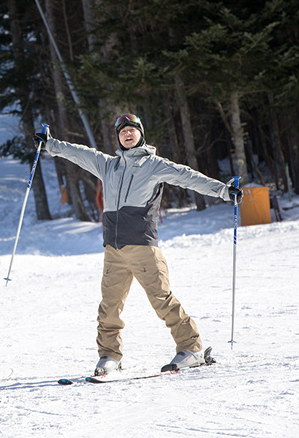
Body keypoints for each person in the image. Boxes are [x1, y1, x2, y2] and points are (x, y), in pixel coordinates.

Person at [35, 114, 244, 374]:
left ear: (140, 134)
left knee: (162, 300)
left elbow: (188, 177)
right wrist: (49, 144)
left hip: (143, 247)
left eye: (132, 130)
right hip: (113, 249)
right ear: (118, 138)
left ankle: (191, 348)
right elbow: (80, 153)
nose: (128, 134)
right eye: (123, 131)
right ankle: (109, 356)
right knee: (109, 306)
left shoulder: (153, 165)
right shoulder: (107, 165)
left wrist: (223, 190)